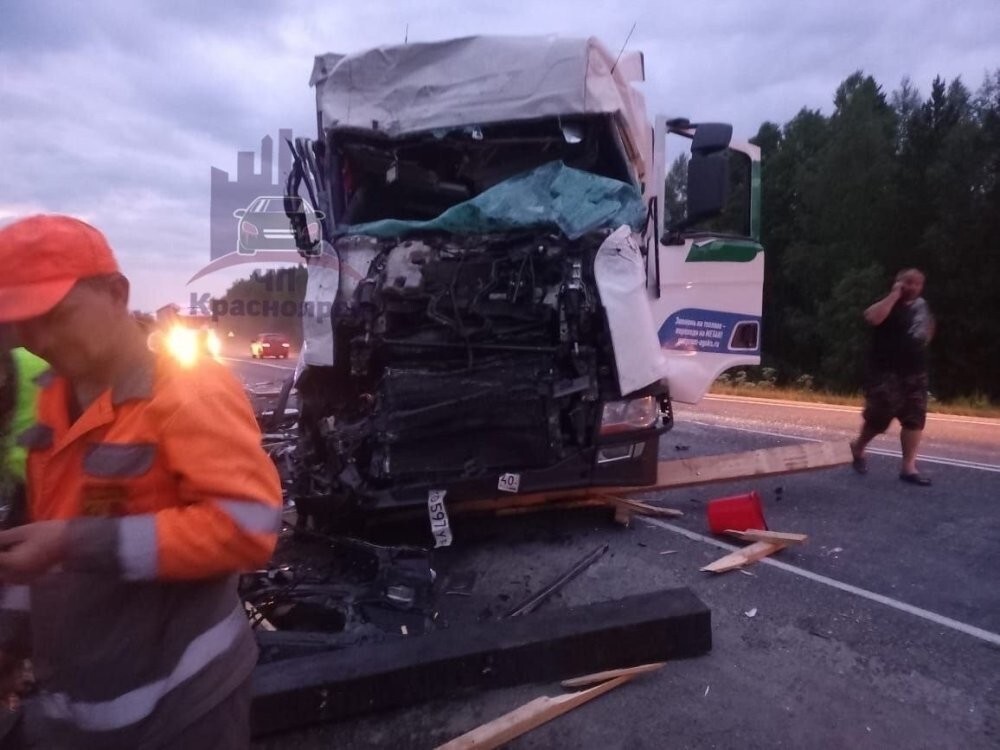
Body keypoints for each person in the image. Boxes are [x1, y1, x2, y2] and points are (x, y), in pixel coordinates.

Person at [0, 215, 282, 748]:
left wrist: (73, 541)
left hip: (183, 710)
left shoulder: (185, 392)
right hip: (78, 710)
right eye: (23, 324)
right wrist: (10, 635)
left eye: (56, 317)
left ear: (116, 293)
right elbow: (38, 537)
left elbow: (249, 527)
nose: (40, 341)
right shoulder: (48, 398)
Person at [850, 268, 935, 486]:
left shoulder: (922, 306)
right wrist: (895, 295)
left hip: (915, 371)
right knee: (879, 418)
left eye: (917, 283)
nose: (912, 287)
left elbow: (928, 328)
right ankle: (858, 447)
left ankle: (908, 468)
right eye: (908, 282)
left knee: (914, 419)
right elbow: (872, 318)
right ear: (897, 282)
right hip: (885, 372)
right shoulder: (887, 303)